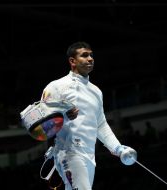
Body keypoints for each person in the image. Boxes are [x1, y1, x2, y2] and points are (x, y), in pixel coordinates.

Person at [40, 41, 136, 190]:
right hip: (69, 152)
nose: (90, 58)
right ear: (72, 61)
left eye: (91, 55)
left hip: (89, 155)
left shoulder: (96, 92)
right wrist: (63, 117)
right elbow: (41, 124)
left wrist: (118, 148)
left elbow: (101, 124)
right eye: (84, 55)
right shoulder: (56, 87)